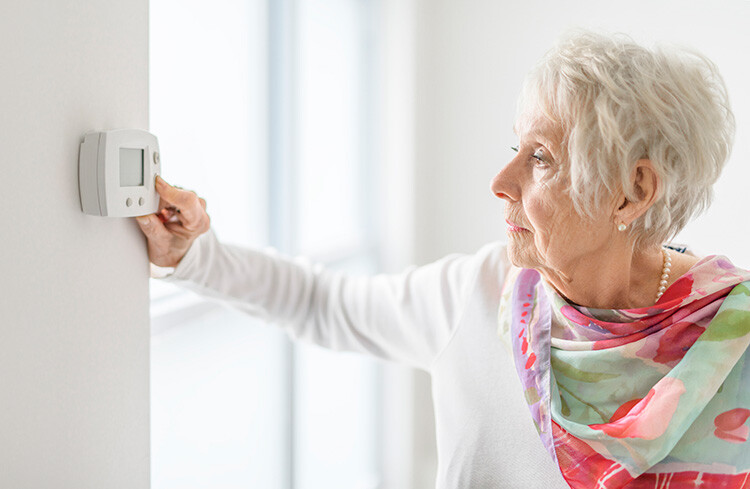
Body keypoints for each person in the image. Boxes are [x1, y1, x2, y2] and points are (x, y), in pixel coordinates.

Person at [136, 32, 750, 488]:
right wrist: (192, 255)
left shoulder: (736, 339)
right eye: (518, 146)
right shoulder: (478, 295)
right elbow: (319, 301)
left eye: (541, 158)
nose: (500, 181)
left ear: (634, 192)